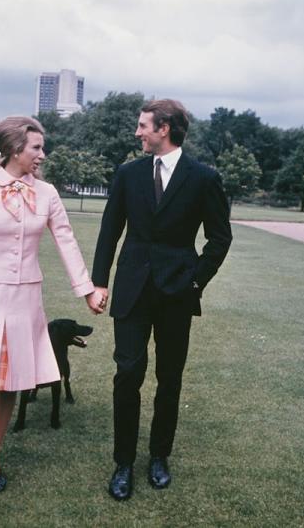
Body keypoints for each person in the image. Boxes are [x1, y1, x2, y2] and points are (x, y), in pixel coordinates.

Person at [0, 116, 97, 505]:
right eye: (36, 148)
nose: (42, 154)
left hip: (26, 299)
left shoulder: (48, 194)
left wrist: (86, 291)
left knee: (12, 382)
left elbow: (66, 241)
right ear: (14, 150)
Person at [86, 99, 233, 501]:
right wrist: (98, 282)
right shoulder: (128, 173)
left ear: (163, 127)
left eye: (142, 125)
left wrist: (195, 282)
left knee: (169, 380)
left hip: (176, 295)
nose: (138, 132)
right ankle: (123, 464)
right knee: (127, 375)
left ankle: (159, 457)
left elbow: (220, 238)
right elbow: (109, 231)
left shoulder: (203, 177)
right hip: (132, 290)